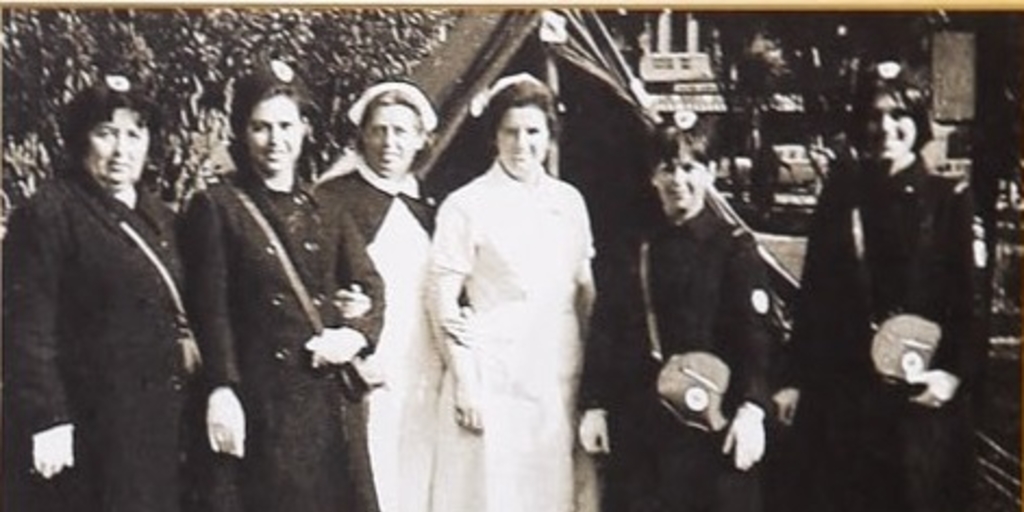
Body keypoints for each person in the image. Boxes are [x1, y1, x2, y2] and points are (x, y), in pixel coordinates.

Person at [179, 60, 384, 512]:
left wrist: (353, 333)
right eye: (260, 127)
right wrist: (222, 389)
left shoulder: (325, 207)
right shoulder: (218, 207)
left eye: (286, 125)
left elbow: (370, 283)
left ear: (305, 128)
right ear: (242, 131)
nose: (276, 141)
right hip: (262, 403)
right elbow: (209, 311)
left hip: (327, 408)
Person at [786, 61, 981, 512]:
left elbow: (969, 306)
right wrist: (795, 379)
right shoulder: (842, 197)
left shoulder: (948, 199)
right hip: (848, 400)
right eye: (874, 116)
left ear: (917, 122)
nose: (885, 128)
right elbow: (814, 298)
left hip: (920, 403)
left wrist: (952, 376)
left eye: (899, 116)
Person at [2, 73, 197, 512]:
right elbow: (26, 329)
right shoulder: (50, 213)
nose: (121, 150)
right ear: (80, 139)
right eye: (106, 133)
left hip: (160, 426)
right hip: (91, 427)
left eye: (134, 133)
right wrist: (47, 418)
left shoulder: (162, 218)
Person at [579, 111, 772, 512]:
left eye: (690, 167)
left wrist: (753, 408)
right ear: (653, 176)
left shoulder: (734, 247)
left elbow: (756, 335)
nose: (677, 180)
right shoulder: (636, 246)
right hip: (645, 429)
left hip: (713, 426)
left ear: (711, 173)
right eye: (667, 168)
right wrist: (594, 405)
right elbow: (607, 328)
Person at [428, 73, 597, 512]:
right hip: (495, 373)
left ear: (550, 136)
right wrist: (465, 380)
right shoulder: (467, 204)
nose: (522, 144)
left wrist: (594, 381)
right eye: (511, 132)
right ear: (494, 137)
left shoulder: (569, 202)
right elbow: (442, 297)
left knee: (554, 490)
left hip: (559, 368)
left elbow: (584, 291)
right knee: (496, 492)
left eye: (533, 132)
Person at [315, 81, 442, 512]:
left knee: (420, 474)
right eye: (379, 130)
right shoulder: (332, 199)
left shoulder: (429, 206)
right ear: (362, 136)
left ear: (421, 140)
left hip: (424, 364)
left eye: (401, 132)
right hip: (366, 366)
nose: (390, 143)